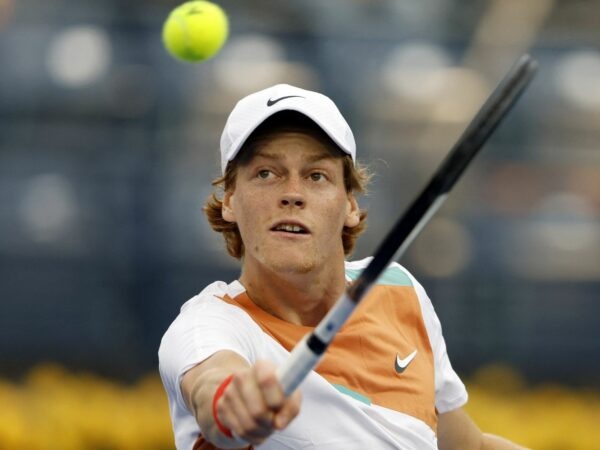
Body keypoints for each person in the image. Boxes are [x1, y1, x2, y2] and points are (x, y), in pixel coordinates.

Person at [159, 84, 527, 450]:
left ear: (350, 205)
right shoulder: (206, 326)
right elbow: (212, 386)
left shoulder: (400, 290)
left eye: (316, 175)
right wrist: (236, 402)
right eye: (266, 173)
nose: (292, 193)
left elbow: (470, 447)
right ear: (230, 202)